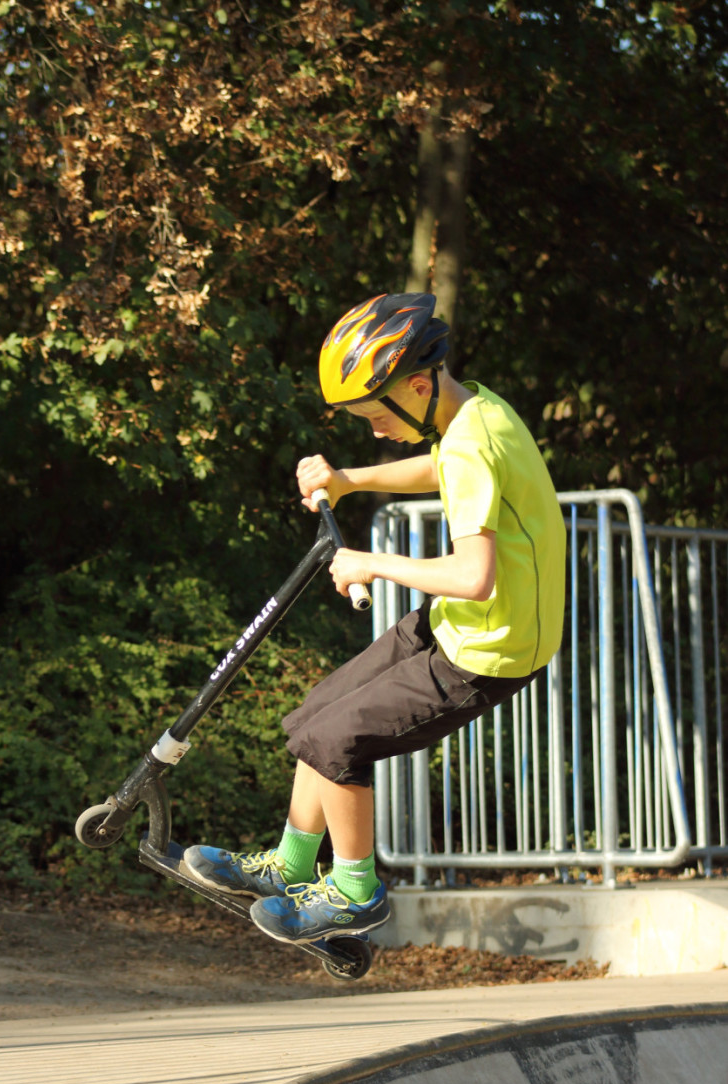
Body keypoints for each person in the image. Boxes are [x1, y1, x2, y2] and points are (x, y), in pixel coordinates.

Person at [182, 292, 566, 946]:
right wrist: (349, 480)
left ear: (417, 385)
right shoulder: (475, 410)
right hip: (459, 626)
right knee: (316, 715)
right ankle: (291, 866)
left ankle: (357, 892)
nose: (372, 429)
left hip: (488, 652)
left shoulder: (470, 440)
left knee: (337, 741)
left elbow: (475, 577)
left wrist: (372, 562)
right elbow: (446, 469)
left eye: (373, 415)